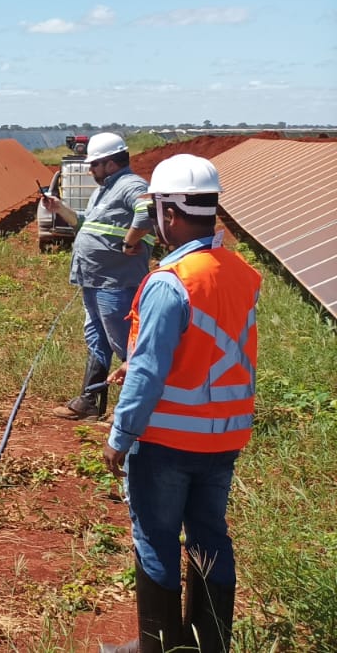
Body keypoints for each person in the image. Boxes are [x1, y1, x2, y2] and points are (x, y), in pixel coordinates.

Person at [100, 154, 258, 653]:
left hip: (167, 440)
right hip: (224, 436)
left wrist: (120, 436)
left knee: (156, 538)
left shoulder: (169, 281)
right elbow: (211, 347)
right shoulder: (240, 273)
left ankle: (159, 646)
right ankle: (208, 645)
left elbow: (148, 372)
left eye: (156, 213)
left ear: (169, 212)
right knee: (210, 535)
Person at [40, 131, 155, 420]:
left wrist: (130, 242)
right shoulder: (104, 190)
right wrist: (59, 208)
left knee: (125, 344)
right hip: (95, 280)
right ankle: (89, 402)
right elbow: (85, 225)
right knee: (98, 339)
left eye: (94, 165)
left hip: (116, 282)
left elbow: (148, 211)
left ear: (111, 164)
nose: (90, 170)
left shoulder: (131, 185)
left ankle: (139, 412)